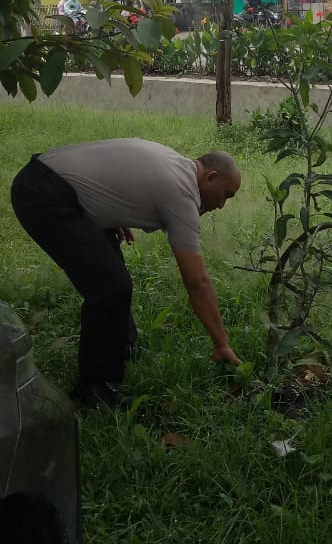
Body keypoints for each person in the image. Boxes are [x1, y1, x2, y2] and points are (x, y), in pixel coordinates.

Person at [11, 140, 243, 410]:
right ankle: (94, 389)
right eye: (227, 194)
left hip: (47, 178)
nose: (222, 205)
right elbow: (197, 282)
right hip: (44, 194)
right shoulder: (182, 191)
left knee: (110, 269)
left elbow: (117, 170)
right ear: (211, 177)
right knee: (110, 287)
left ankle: (122, 346)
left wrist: (111, 211)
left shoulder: (177, 165)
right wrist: (221, 343)